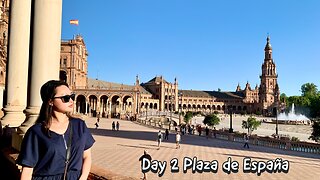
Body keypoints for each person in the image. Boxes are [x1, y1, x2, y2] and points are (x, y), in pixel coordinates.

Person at [16, 80, 95, 180]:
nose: (71, 101)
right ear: (50, 101)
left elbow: (87, 157)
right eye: (65, 98)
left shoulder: (79, 125)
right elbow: (27, 170)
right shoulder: (36, 132)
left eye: (72, 96)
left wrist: (83, 178)